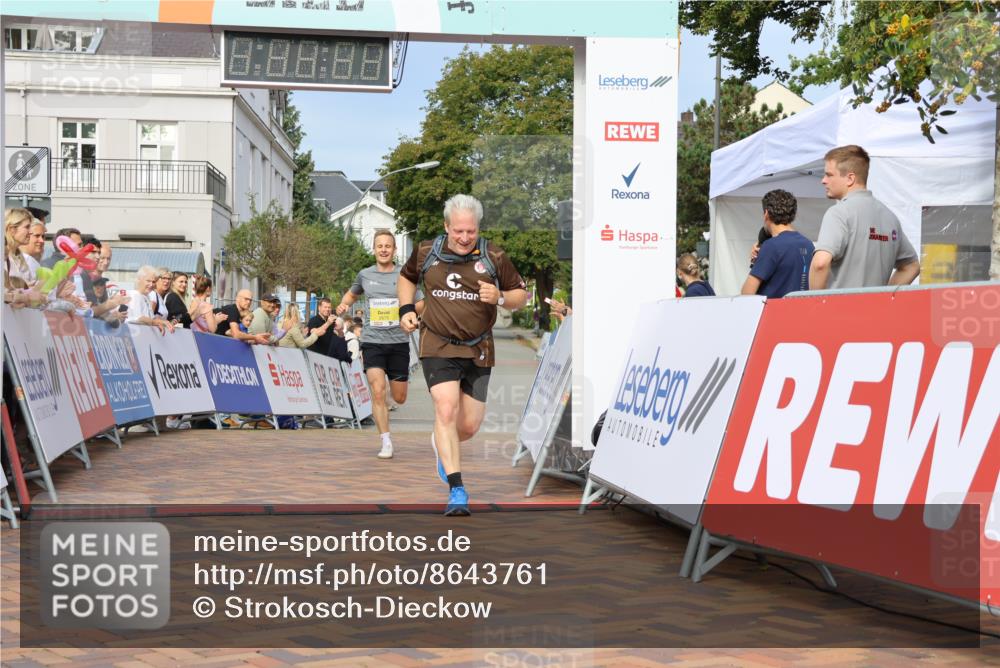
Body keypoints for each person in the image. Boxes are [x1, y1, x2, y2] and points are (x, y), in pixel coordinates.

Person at [398, 194, 528, 515]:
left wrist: (498, 297)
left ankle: (442, 442)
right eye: (458, 231)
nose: (465, 238)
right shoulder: (427, 251)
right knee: (446, 408)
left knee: (468, 426)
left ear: (478, 228)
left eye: (471, 231)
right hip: (437, 343)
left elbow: (521, 296)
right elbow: (406, 277)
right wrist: (405, 309)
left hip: (479, 346)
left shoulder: (493, 256)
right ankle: (457, 489)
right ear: (446, 226)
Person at [337, 230, 424, 459]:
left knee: (399, 397)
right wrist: (342, 306)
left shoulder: (404, 275)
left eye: (388, 246)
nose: (384, 249)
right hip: (372, 340)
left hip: (398, 342)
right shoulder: (365, 275)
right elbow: (351, 295)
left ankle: (389, 407)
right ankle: (385, 440)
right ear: (374, 249)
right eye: (380, 246)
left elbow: (421, 301)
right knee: (377, 392)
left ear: (394, 250)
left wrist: (411, 314)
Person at [810, 144, 920, 289]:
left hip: (838, 309)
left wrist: (814, 305)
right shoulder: (890, 217)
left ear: (850, 179)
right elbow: (912, 266)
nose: (823, 180)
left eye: (829, 175)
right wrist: (884, 297)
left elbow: (820, 264)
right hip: (876, 310)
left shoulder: (838, 213)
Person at [741, 189, 815, 298]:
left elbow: (747, 293)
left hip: (774, 311)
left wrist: (757, 263)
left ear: (766, 213)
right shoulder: (808, 244)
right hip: (802, 309)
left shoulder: (771, 246)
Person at [125, 265, 173, 334]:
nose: (151, 284)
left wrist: (158, 323)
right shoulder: (134, 295)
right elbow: (139, 319)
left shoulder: (146, 297)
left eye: (153, 282)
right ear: (139, 279)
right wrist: (156, 322)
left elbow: (151, 318)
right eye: (148, 281)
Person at [307, 297, 350, 362]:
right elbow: (315, 333)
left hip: (328, 358)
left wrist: (340, 329)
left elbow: (339, 335)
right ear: (319, 308)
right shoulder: (313, 320)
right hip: (314, 357)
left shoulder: (332, 319)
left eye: (329, 307)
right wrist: (328, 323)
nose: (327, 309)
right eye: (325, 307)